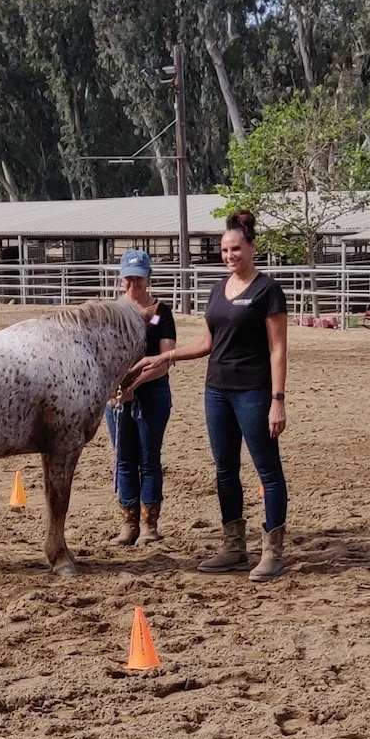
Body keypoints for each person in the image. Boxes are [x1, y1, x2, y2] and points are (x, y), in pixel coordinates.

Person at [129, 210, 289, 582]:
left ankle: (272, 550)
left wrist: (277, 399)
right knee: (224, 470)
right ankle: (233, 546)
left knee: (267, 470)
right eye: (224, 250)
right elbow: (208, 342)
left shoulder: (268, 291)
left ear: (251, 247)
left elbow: (278, 349)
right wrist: (164, 356)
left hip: (253, 390)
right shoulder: (218, 289)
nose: (230, 255)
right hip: (216, 390)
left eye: (236, 248)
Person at [105, 249, 177, 547]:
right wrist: (116, 385)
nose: (132, 283)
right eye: (128, 277)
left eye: (137, 277)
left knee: (149, 459)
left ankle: (149, 524)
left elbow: (166, 357)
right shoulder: (112, 312)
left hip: (152, 391)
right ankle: (128, 523)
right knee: (123, 458)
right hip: (119, 395)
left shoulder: (161, 312)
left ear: (148, 278)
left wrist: (137, 381)